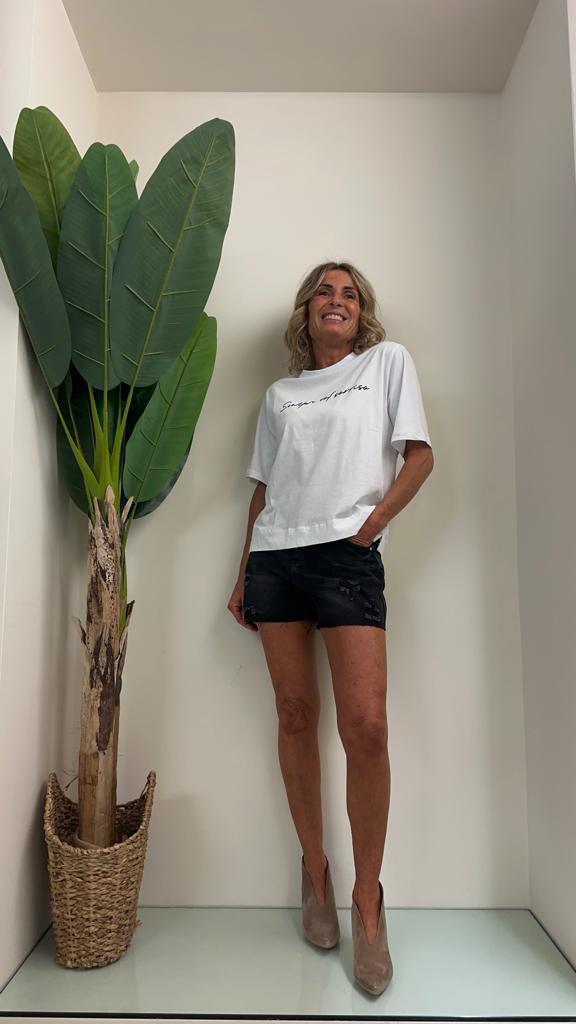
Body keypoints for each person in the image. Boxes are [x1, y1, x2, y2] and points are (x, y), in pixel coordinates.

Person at [227, 261, 433, 996]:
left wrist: (368, 527)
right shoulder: (279, 396)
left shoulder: (386, 364)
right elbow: (265, 491)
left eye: (349, 293)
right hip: (276, 560)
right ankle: (314, 871)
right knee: (294, 713)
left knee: (366, 728)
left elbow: (420, 457)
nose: (336, 301)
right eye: (325, 291)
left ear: (361, 312)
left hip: (348, 557)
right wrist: (242, 574)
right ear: (306, 313)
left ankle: (367, 901)